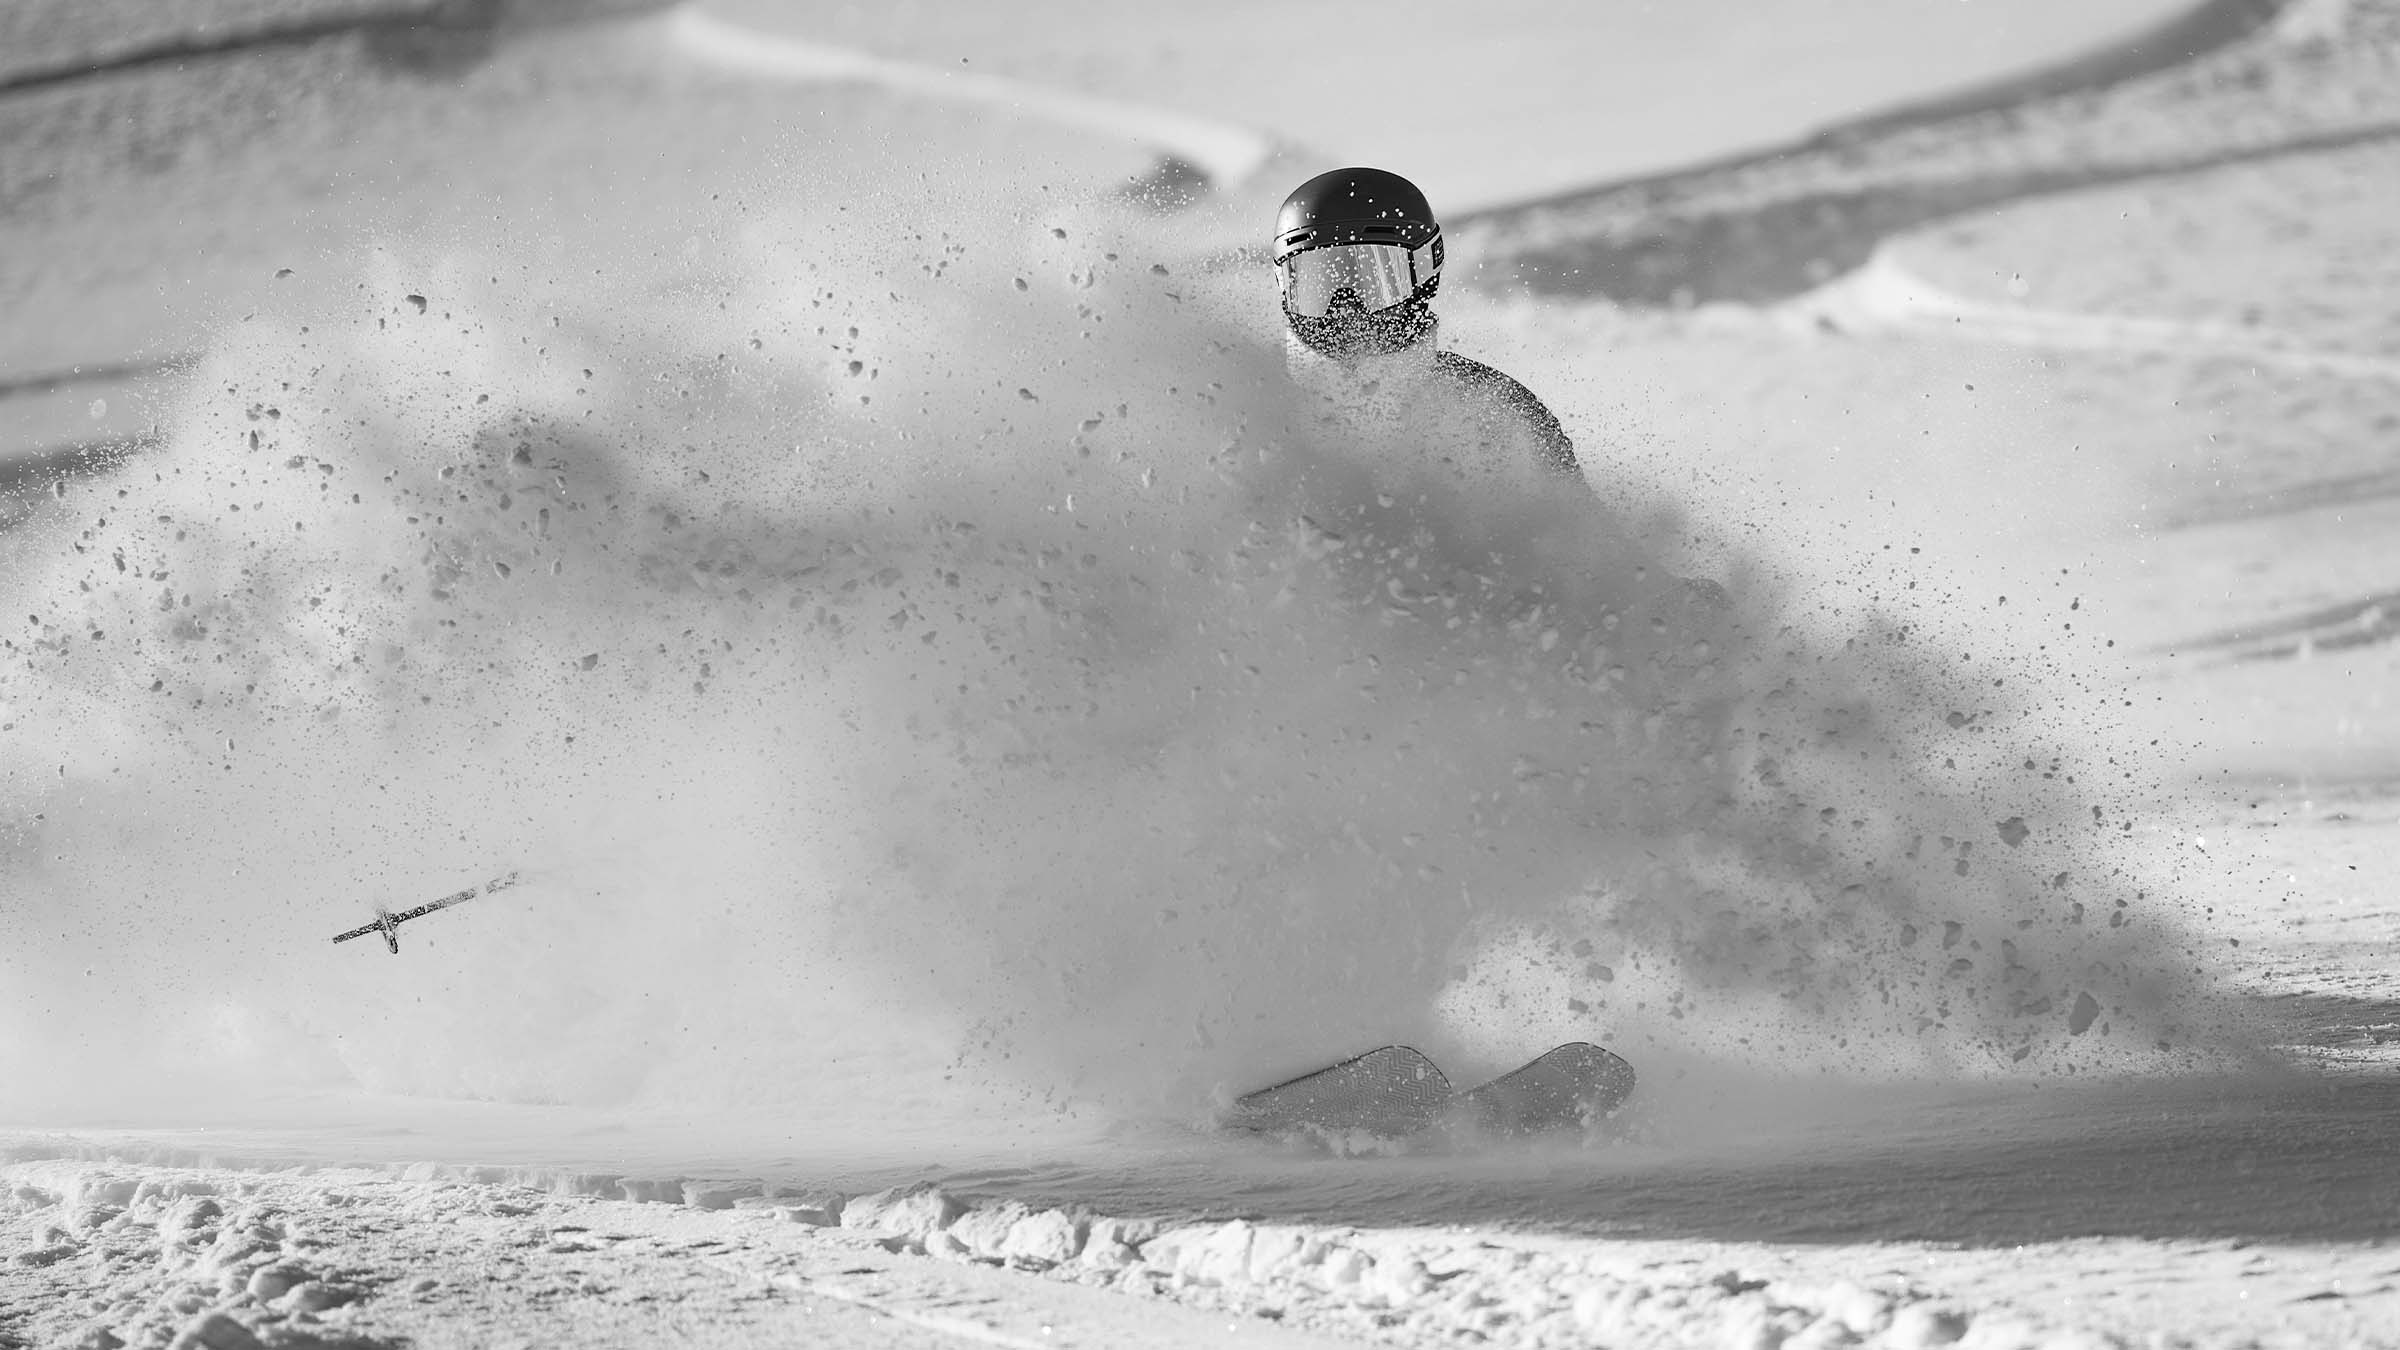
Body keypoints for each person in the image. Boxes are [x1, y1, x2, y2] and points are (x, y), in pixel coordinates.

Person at [1271, 166, 1580, 483]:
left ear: (1424, 276)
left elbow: (1576, 514)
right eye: (1316, 288)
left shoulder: (1499, 410)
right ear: (1285, 286)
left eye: (1377, 283)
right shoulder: (1256, 405)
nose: (1347, 310)